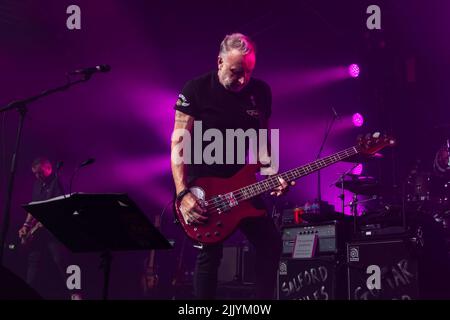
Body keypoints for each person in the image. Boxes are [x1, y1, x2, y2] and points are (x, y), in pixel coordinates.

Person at [170, 33, 294, 299]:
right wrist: (183, 194)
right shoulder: (196, 89)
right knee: (209, 257)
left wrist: (273, 176)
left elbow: (263, 141)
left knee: (270, 245)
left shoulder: (260, 91)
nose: (243, 80)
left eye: (248, 72)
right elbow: (178, 145)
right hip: (204, 187)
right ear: (220, 62)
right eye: (237, 72)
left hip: (242, 185)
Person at [18, 157, 68, 299]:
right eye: (35, 173)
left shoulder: (57, 182)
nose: (37, 176)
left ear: (49, 168)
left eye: (40, 173)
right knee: (33, 261)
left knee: (61, 261)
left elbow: (60, 207)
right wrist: (26, 226)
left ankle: (75, 293)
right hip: (39, 230)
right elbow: (33, 207)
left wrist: (46, 221)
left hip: (54, 230)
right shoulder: (37, 184)